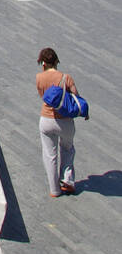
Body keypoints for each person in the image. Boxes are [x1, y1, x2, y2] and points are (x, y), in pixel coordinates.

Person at [36, 48, 80, 197]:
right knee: (67, 149)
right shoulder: (66, 78)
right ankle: (67, 181)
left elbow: (44, 97)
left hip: (47, 120)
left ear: (42, 63)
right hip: (65, 122)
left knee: (50, 154)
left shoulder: (39, 78)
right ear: (56, 61)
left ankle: (54, 190)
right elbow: (76, 98)